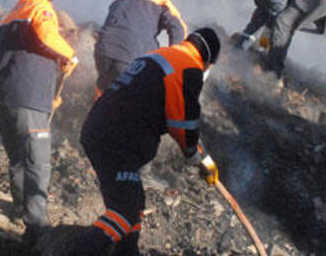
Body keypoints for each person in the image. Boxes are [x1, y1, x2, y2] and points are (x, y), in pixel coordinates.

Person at [75, 28, 222, 255]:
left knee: (133, 202)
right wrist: (197, 157)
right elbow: (183, 123)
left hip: (102, 130)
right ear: (208, 60)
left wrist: (204, 157)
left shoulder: (160, 55)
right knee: (125, 211)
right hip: (117, 140)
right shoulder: (188, 67)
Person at [0, 0, 78, 244]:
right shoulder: (41, 8)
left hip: (4, 97)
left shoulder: (14, 13)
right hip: (28, 98)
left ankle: (20, 209)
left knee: (17, 157)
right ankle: (36, 226)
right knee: (37, 163)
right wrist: (69, 54)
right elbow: (45, 33)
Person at [93, 0, 187, 94]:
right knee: (134, 100)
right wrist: (175, 63)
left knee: (105, 93)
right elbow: (178, 29)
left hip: (102, 54)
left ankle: (98, 107)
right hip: (130, 57)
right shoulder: (160, 0)